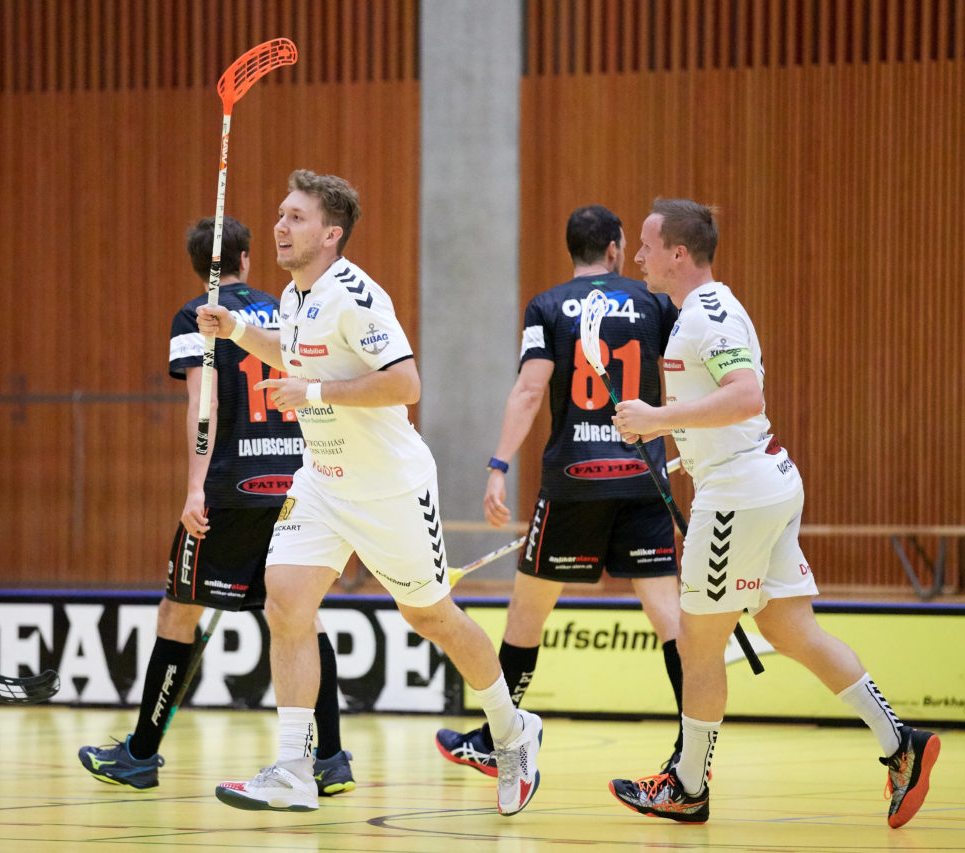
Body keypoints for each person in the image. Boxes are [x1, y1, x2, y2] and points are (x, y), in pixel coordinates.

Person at [200, 170, 542, 815]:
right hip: (324, 481)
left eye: (295, 217)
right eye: (280, 213)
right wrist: (239, 332)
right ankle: (296, 769)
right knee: (286, 603)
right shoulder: (295, 296)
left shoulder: (356, 296)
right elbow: (296, 355)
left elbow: (406, 384)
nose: (279, 225)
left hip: (389, 488)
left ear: (331, 235)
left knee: (431, 617)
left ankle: (512, 732)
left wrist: (319, 394)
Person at [608, 198, 940, 826]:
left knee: (697, 647)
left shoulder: (709, 314)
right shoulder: (697, 315)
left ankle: (687, 787)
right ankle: (903, 744)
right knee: (792, 630)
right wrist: (679, 448)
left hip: (740, 494)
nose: (641, 257)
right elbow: (729, 407)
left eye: (650, 246)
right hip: (758, 479)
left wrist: (658, 420)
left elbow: (746, 395)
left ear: (680, 253)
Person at [77, 216, 355, 796]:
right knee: (302, 616)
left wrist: (195, 486)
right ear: (248, 259)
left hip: (233, 487)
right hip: (298, 483)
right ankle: (329, 759)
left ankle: (140, 754)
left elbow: (202, 407)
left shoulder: (195, 316)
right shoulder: (288, 308)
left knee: (179, 613)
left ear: (196, 263)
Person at [436, 205, 687, 775]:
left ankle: (497, 738)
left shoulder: (546, 307)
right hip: (643, 477)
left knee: (526, 615)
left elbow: (529, 391)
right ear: (618, 248)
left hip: (574, 481)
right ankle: (690, 749)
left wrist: (498, 466)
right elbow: (685, 373)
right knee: (668, 616)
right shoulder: (654, 303)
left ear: (571, 249)